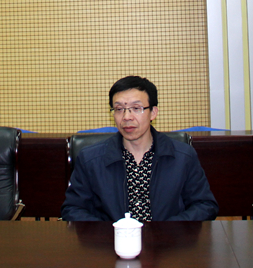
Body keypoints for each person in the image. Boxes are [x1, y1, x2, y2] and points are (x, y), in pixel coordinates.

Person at [61, 75, 218, 222]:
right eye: (119, 109)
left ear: (153, 112)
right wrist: (112, 233)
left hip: (168, 241)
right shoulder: (90, 159)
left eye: (136, 108)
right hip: (111, 241)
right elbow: (73, 209)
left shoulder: (183, 156)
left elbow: (205, 206)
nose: (126, 117)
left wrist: (166, 231)